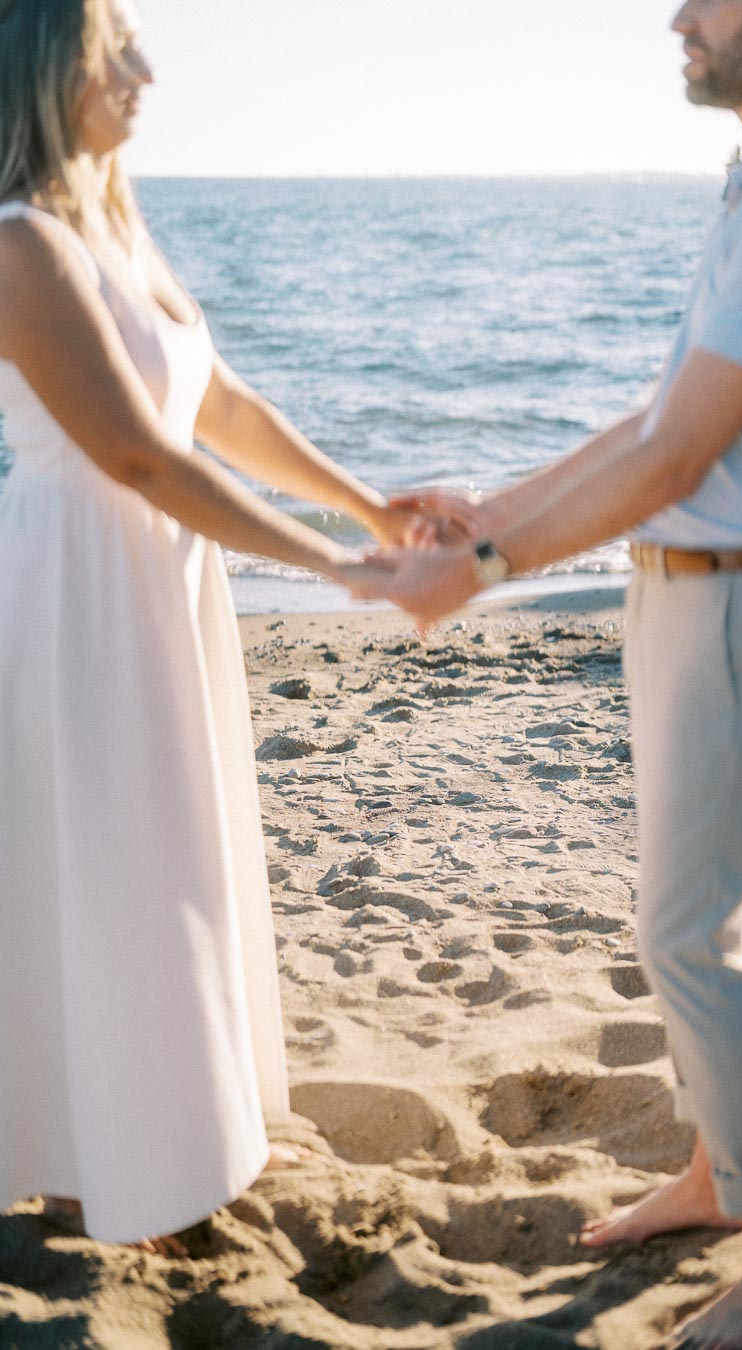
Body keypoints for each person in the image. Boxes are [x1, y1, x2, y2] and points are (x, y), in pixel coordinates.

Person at [358, 1, 742, 1345]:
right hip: (697, 601)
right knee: (691, 925)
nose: (678, 14)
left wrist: (480, 568)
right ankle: (728, 1172)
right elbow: (656, 423)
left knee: (692, 934)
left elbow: (670, 464)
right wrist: (490, 513)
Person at [0, 0, 432, 1253]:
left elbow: (217, 402)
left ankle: (164, 1134)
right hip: (82, 585)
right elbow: (136, 453)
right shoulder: (22, 242)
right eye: (113, 48)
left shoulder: (113, 219)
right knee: (107, 862)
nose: (144, 68)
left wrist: (368, 508)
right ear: (48, 71)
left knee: (167, 849)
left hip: (160, 576)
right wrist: (336, 568)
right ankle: (101, 1161)